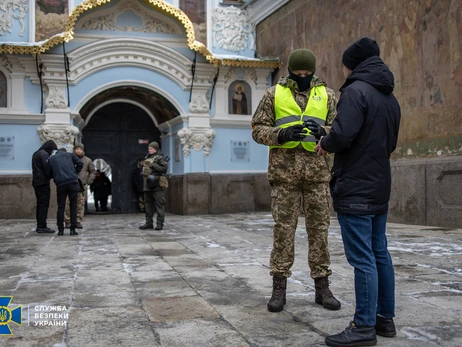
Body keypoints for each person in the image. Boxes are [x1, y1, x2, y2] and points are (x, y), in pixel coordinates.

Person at [314, 38, 401, 347]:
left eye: (345, 64)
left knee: (363, 257)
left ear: (353, 64)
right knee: (379, 253)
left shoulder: (355, 92)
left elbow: (344, 133)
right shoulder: (389, 97)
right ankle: (384, 320)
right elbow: (390, 143)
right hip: (379, 184)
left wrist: (324, 143)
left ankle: (363, 326)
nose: (344, 69)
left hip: (355, 186)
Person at [251, 48, 341, 313]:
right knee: (283, 231)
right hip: (284, 175)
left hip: (318, 174)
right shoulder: (273, 94)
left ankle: (322, 287)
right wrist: (280, 134)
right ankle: (279, 287)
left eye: (307, 73)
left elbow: (341, 130)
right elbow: (257, 129)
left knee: (319, 231)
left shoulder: (327, 95)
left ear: (314, 71)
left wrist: (324, 132)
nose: (302, 77)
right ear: (289, 71)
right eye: (297, 73)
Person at [48, 148, 83, 236]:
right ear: (65, 151)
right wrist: (75, 173)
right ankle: (73, 229)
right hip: (72, 182)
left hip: (61, 184)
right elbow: (80, 163)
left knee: (61, 207)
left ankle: (60, 230)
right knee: (73, 206)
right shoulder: (70, 155)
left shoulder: (52, 159)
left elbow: (49, 171)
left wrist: (56, 177)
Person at [64, 143, 95, 229]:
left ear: (83, 150)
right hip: (70, 184)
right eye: (77, 149)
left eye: (80, 149)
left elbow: (92, 171)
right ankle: (67, 220)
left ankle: (78, 221)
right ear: (74, 150)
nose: (78, 151)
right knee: (68, 203)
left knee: (80, 204)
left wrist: (89, 181)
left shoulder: (87, 160)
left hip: (82, 186)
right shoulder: (69, 159)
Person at [139, 142, 168, 230]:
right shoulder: (147, 157)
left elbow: (164, 169)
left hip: (157, 184)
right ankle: (149, 223)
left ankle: (159, 224)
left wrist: (153, 165)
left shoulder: (160, 158)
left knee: (159, 204)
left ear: (155, 149)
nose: (149, 150)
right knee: (147, 204)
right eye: (149, 148)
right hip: (147, 184)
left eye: (151, 148)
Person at [32, 140, 57, 233]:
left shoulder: (37, 153)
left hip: (37, 182)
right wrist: (52, 175)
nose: (52, 152)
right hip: (42, 182)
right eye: (52, 150)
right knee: (43, 204)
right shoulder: (44, 154)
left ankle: (40, 225)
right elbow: (47, 168)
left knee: (40, 204)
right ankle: (42, 226)